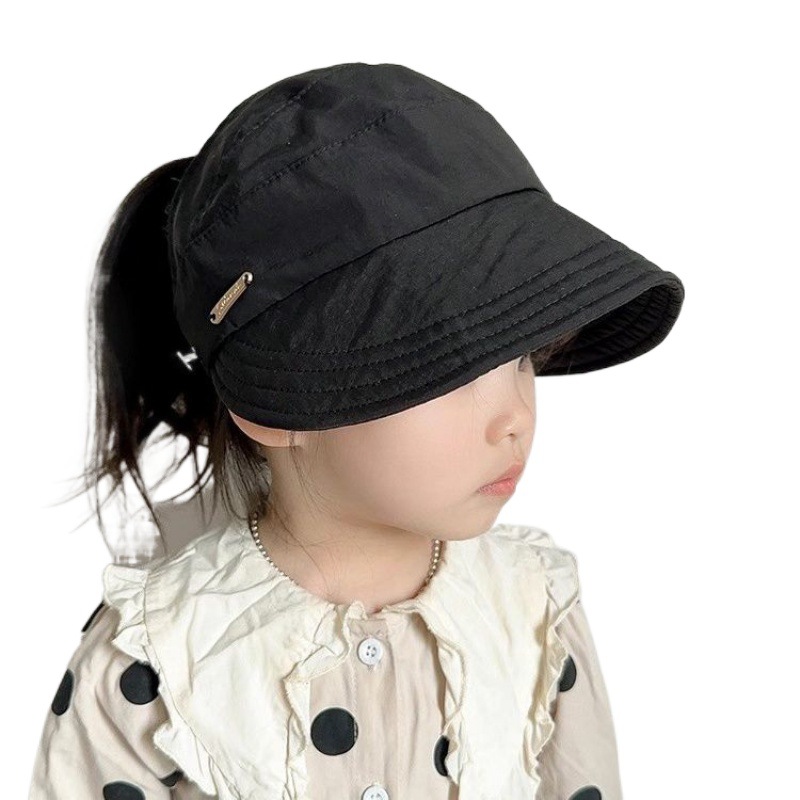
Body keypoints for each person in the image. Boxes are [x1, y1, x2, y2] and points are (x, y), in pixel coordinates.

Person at [27, 62, 684, 800]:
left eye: (524, 355)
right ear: (279, 405)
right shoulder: (155, 656)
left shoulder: (533, 614)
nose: (515, 418)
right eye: (454, 368)